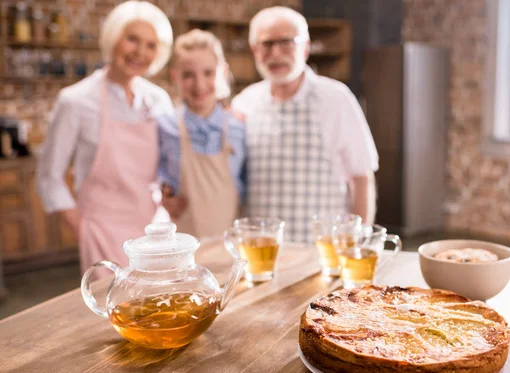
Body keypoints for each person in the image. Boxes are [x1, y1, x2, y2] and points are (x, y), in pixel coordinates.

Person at [36, 1, 174, 274]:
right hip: (101, 233)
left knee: (160, 310)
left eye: (150, 45)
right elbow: (49, 176)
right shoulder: (75, 101)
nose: (140, 52)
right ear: (113, 38)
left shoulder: (159, 100)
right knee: (112, 312)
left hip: (155, 231)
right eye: (132, 39)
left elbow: (170, 163)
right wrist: (82, 228)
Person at [232, 6, 379, 243]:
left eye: (287, 42)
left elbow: (362, 177)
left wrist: (356, 243)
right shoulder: (244, 102)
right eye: (267, 44)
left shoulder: (336, 99)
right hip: (262, 254)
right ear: (254, 49)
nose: (276, 53)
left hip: (324, 252)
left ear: (306, 47)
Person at [157, 29, 246, 238]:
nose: (199, 85)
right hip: (182, 245)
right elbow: (154, 176)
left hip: (233, 246)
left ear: (223, 72)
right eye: (188, 75)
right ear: (174, 76)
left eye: (208, 73)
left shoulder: (238, 125)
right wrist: (164, 193)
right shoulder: (166, 126)